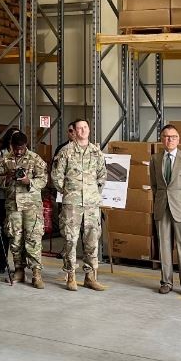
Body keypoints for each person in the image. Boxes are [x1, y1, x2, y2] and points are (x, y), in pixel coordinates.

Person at [52, 119, 109, 292]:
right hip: (72, 204)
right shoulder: (66, 152)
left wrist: (93, 193)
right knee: (71, 240)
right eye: (79, 128)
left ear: (89, 130)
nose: (83, 131)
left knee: (92, 240)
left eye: (85, 127)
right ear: (74, 132)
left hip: (92, 204)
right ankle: (70, 276)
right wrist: (69, 192)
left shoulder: (96, 152)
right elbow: (56, 176)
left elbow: (102, 175)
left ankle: (90, 276)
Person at [149, 123, 181, 297]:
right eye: (166, 137)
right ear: (162, 139)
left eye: (173, 137)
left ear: (178, 139)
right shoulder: (155, 159)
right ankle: (166, 281)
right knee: (164, 246)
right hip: (162, 207)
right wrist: (159, 201)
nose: (170, 140)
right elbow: (154, 185)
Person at [0, 131, 47, 288]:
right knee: (15, 239)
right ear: (11, 146)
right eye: (16, 148)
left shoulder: (35, 159)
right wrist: (8, 177)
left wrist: (28, 181)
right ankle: (19, 270)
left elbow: (44, 179)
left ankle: (36, 273)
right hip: (13, 206)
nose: (18, 151)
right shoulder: (4, 160)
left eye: (21, 148)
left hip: (32, 206)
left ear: (26, 145)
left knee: (33, 239)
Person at [0, 126, 20, 274]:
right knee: (2, 231)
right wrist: (7, 179)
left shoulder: (24, 155)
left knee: (17, 232)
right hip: (2, 197)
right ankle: (1, 263)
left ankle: (19, 266)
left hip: (18, 198)